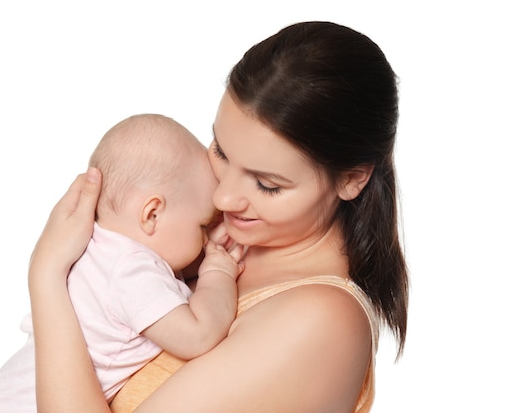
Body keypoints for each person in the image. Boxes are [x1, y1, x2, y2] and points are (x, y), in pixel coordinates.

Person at [27, 21, 409, 413]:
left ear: (351, 179)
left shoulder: (321, 323)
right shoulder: (207, 233)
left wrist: (46, 274)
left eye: (267, 184)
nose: (222, 195)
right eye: (221, 151)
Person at [0, 114, 244, 412]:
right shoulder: (131, 270)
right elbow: (197, 335)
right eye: (203, 226)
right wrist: (218, 272)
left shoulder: (98, 249)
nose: (207, 241)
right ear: (152, 214)